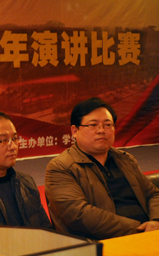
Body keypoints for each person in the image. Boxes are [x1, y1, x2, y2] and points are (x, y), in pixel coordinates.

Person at [45, 97, 159, 240]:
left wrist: (156, 221)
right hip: (102, 244)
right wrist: (140, 230)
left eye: (108, 125)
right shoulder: (61, 167)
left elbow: (152, 194)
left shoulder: (126, 160)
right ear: (74, 131)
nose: (101, 130)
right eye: (93, 125)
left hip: (149, 235)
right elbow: (78, 214)